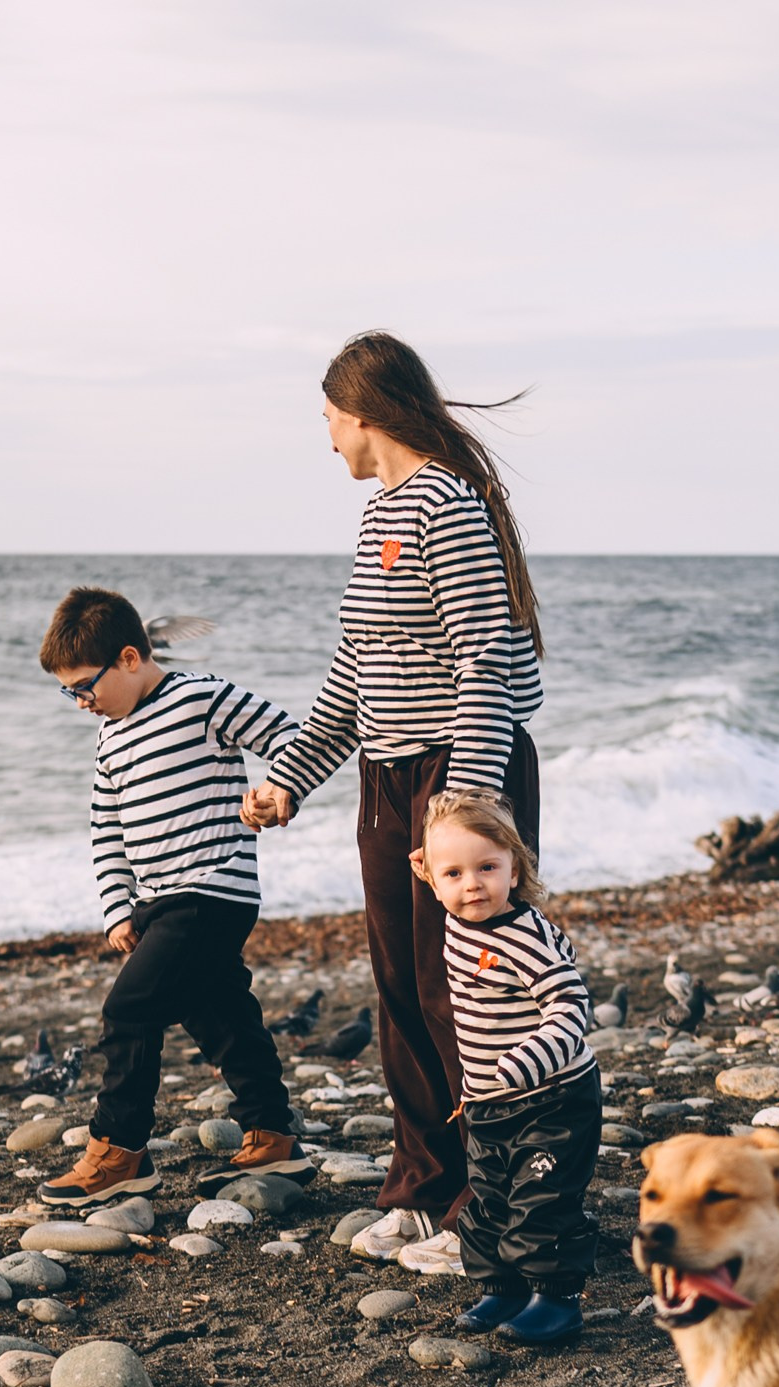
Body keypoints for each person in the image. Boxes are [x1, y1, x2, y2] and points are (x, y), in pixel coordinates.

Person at [244, 331, 544, 1274]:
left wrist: (465, 804)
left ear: (363, 412)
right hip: (390, 777)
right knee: (402, 994)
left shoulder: (444, 508)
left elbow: (483, 659)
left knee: (467, 993)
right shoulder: (384, 513)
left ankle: (489, 1208)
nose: (326, 436)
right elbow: (355, 678)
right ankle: (423, 1190)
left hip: (456, 771)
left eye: (328, 417)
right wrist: (290, 775)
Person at [36, 586, 302, 1205]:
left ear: (130, 658)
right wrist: (116, 908)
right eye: (68, 691)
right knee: (219, 1011)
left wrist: (275, 791)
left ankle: (120, 1148)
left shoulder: (201, 698)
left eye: (84, 686)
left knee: (129, 1011)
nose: (80, 703)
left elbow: (291, 735)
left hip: (214, 890)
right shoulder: (109, 738)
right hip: (157, 903)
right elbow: (107, 828)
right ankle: (274, 1134)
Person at [411, 790, 600, 1345]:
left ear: (515, 869)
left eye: (488, 868)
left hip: (553, 1096)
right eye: (454, 874)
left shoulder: (523, 935)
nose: (471, 885)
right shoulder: (457, 916)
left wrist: (528, 1061)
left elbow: (572, 1005)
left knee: (541, 1198)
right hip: (488, 1100)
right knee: (490, 1195)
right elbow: (443, 871)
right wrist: (429, 865)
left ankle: (557, 1299)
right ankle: (504, 1287)